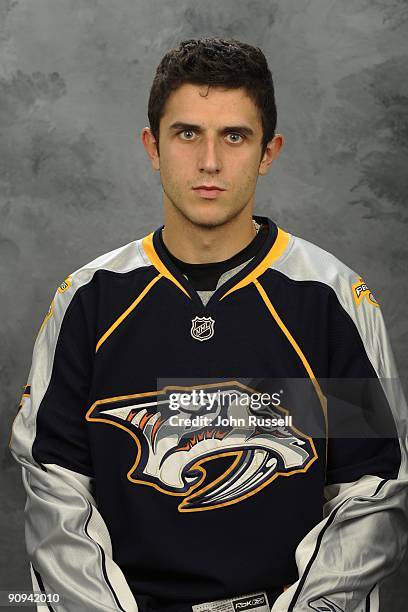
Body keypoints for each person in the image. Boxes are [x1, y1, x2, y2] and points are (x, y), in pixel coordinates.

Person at [9, 37, 408, 612]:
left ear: (268, 151)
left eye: (235, 137)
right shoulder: (89, 301)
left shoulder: (330, 299)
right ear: (153, 146)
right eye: (187, 133)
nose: (210, 162)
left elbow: (372, 492)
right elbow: (55, 490)